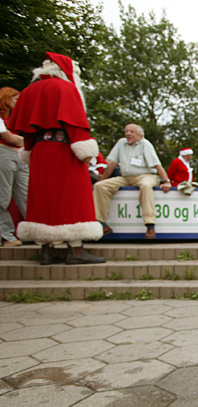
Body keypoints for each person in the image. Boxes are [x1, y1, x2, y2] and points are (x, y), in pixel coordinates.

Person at [7, 52, 105, 264]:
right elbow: (75, 124)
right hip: (64, 150)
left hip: (41, 151)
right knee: (73, 198)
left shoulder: (29, 91)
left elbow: (27, 129)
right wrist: (87, 153)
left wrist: (31, 148)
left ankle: (47, 251)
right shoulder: (66, 88)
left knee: (43, 198)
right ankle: (75, 252)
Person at [93, 124, 172, 239]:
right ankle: (102, 223)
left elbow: (157, 165)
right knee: (100, 186)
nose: (128, 134)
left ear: (140, 135)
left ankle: (150, 225)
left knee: (145, 186)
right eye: (126, 131)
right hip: (125, 177)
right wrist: (104, 178)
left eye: (132, 132)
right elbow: (112, 164)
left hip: (145, 175)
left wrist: (166, 181)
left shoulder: (145, 144)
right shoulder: (121, 143)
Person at [0, 87, 28, 247]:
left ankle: (36, 233)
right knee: (2, 197)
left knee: (26, 196)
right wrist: (29, 141)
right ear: (6, 99)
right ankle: (7, 235)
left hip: (21, 156)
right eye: (15, 98)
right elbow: (10, 138)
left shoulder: (18, 119)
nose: (18, 102)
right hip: (4, 154)